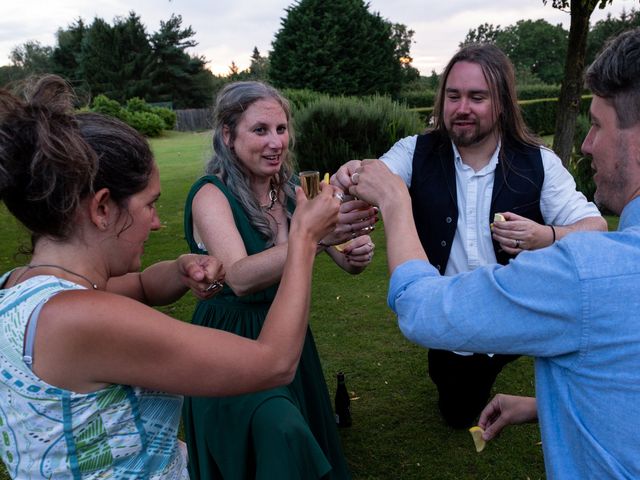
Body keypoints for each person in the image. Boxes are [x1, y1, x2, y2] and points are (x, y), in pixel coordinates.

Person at [0, 75, 342, 479]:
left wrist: (182, 268)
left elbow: (143, 286)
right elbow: (274, 364)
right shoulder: (83, 318)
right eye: (150, 205)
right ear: (102, 208)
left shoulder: (21, 287)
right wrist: (305, 238)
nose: (159, 223)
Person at [336, 27, 640, 479]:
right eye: (453, 95)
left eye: (476, 97)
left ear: (501, 102)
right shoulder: (416, 151)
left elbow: (592, 226)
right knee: (458, 411)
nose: (461, 108)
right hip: (462, 324)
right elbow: (371, 177)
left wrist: (547, 235)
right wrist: (351, 182)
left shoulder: (539, 165)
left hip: (518, 312)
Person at [181, 80, 376, 480]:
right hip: (233, 340)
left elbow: (342, 260)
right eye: (260, 130)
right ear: (227, 135)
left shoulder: (290, 192)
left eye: (281, 129)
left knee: (295, 435)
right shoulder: (210, 195)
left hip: (289, 332)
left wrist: (354, 253)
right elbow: (239, 277)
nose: (275, 142)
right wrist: (316, 238)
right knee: (277, 436)